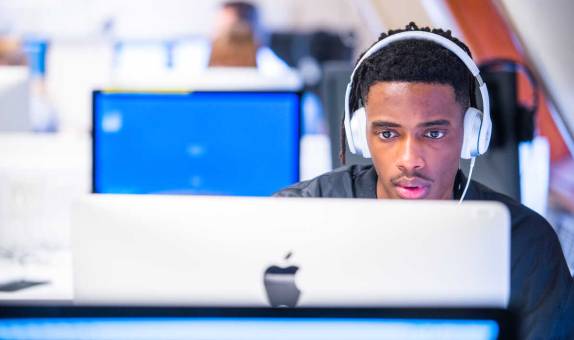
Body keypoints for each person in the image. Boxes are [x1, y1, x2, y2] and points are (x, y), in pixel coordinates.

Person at [274, 22, 572, 339]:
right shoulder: (297, 214)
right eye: (388, 134)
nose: (410, 160)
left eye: (433, 133)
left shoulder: (522, 243)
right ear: (361, 135)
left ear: (473, 134)